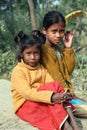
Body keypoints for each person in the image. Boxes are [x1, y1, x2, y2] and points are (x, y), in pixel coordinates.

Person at [10, 30, 80, 130]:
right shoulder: (18, 71)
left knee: (54, 85)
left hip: (42, 99)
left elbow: (52, 83)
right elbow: (27, 93)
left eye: (36, 53)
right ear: (21, 54)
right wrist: (51, 97)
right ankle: (65, 126)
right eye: (28, 54)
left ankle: (73, 123)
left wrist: (65, 93)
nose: (33, 57)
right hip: (25, 104)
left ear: (40, 53)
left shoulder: (41, 68)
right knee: (51, 106)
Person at [40, 10, 87, 118]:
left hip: (67, 94)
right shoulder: (45, 51)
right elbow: (56, 78)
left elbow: (67, 71)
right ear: (44, 31)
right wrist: (71, 95)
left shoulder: (56, 48)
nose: (58, 35)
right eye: (54, 31)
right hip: (60, 96)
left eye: (61, 31)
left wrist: (68, 47)